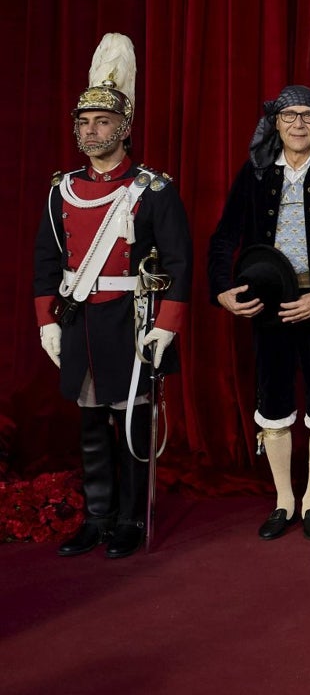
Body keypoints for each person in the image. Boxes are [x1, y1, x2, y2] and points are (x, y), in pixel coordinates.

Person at [34, 33, 192, 559]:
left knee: (131, 425)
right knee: (89, 423)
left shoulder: (153, 189)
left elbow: (178, 262)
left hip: (131, 318)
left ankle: (128, 520)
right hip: (79, 316)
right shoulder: (62, 188)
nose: (91, 131)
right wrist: (47, 322)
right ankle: (96, 517)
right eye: (84, 122)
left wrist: (166, 326)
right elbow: (45, 262)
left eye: (102, 122)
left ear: (124, 127)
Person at [208, 85, 310, 541]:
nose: (298, 124)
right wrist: (222, 289)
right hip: (268, 305)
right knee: (273, 400)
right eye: (289, 116)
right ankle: (284, 500)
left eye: (307, 116)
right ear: (276, 124)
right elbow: (224, 238)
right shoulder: (256, 173)